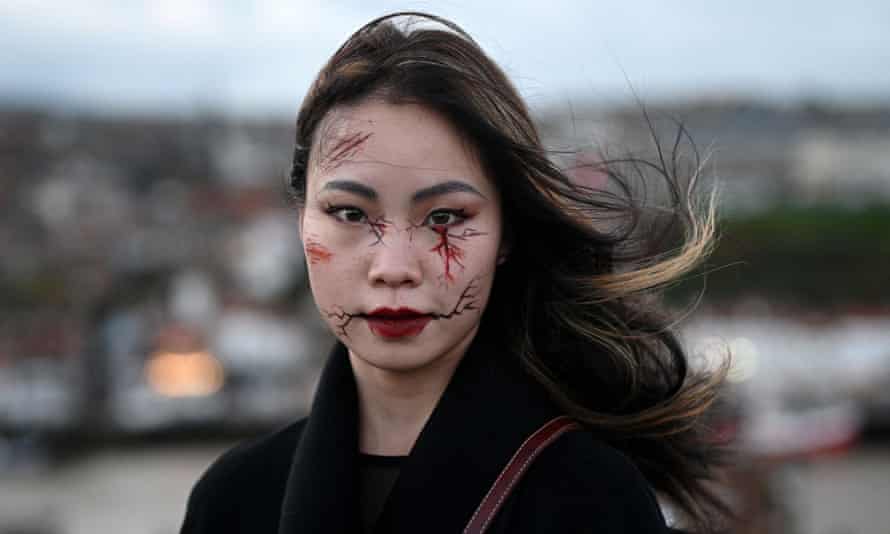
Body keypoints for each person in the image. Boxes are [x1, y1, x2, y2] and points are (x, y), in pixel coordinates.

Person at [180, 12, 729, 534]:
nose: (393, 268)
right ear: (301, 220)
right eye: (350, 213)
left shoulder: (592, 501)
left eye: (445, 217)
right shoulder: (232, 500)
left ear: (507, 234)